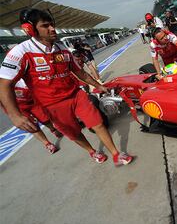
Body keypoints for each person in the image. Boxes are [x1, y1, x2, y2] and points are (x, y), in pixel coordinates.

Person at [0, 9, 133, 166]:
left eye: (52, 24)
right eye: (45, 26)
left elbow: (79, 72)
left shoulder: (62, 47)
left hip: (75, 95)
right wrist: (15, 116)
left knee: (97, 122)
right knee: (74, 133)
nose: (52, 29)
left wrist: (98, 85)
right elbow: (4, 85)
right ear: (31, 29)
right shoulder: (20, 52)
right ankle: (92, 151)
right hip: (52, 105)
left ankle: (116, 154)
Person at [0, 79, 62, 154]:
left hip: (32, 101)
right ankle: (47, 144)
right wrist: (12, 114)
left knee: (45, 119)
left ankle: (53, 129)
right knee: (31, 126)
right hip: (18, 108)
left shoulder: (11, 77)